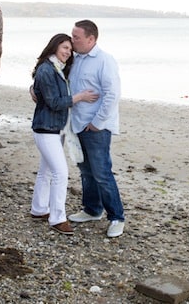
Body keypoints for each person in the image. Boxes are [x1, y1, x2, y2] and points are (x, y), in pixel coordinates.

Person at [30, 33, 98, 235]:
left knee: (47, 171)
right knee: (61, 173)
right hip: (46, 129)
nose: (68, 52)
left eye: (70, 49)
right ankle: (57, 218)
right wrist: (80, 97)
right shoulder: (46, 70)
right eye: (65, 47)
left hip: (54, 129)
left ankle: (39, 209)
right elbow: (55, 103)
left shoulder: (57, 69)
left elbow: (42, 92)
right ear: (54, 47)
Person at [67, 19, 126, 238]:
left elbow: (112, 95)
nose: (72, 40)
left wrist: (98, 122)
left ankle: (117, 217)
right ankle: (92, 210)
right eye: (73, 36)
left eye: (76, 37)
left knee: (102, 173)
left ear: (91, 39)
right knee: (85, 171)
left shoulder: (104, 60)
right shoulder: (74, 59)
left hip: (97, 127)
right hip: (77, 124)